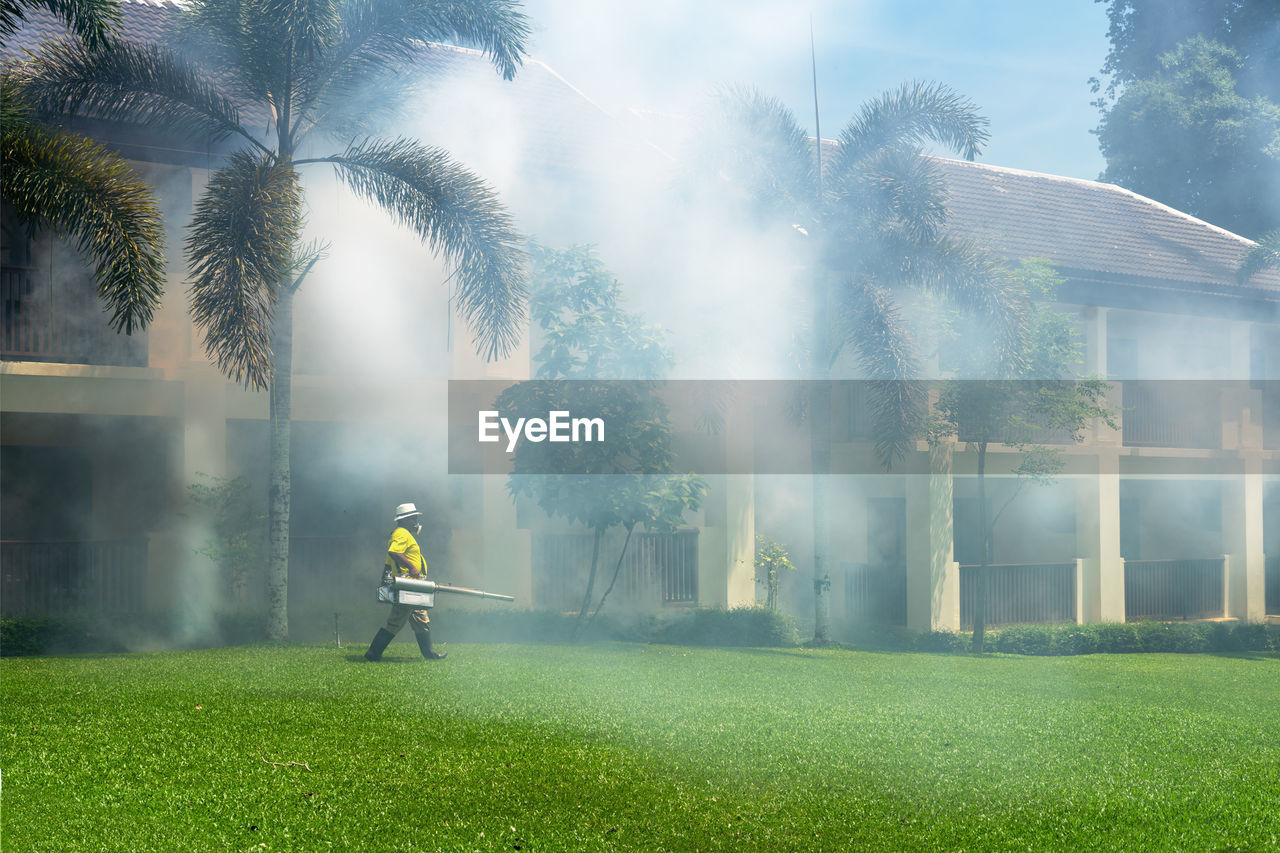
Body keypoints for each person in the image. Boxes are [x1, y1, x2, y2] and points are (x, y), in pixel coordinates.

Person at [364, 502, 447, 661]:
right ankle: (373, 653)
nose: (416, 520)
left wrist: (385, 582)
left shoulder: (401, 534)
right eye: (413, 518)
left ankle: (430, 654)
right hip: (408, 584)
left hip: (412, 585)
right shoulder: (401, 533)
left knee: (421, 619)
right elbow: (394, 552)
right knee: (395, 621)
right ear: (404, 520)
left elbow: (388, 563)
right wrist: (412, 567)